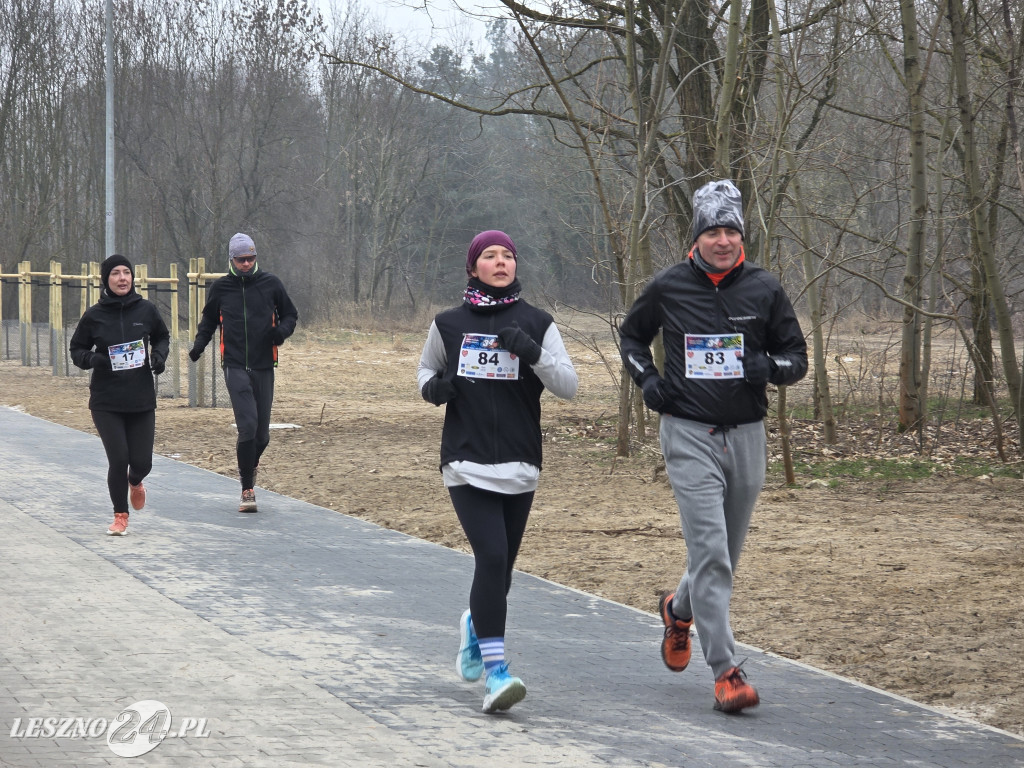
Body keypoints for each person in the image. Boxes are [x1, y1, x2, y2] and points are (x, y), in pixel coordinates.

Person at [618, 180, 808, 713]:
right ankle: (725, 669)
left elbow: (798, 359)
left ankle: (678, 612)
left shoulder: (765, 289)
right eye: (712, 231)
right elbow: (631, 337)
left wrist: (767, 366)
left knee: (724, 554)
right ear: (696, 236)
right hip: (687, 431)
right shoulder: (667, 286)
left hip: (746, 434)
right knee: (711, 554)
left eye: (730, 230)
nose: (722, 240)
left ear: (741, 235)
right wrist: (647, 381)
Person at [417, 230, 578, 714]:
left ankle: (474, 625)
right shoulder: (448, 323)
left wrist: (532, 352)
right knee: (490, 557)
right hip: (464, 461)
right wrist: (437, 389)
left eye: (508, 254)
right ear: (473, 268)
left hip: (520, 460)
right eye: (490, 255)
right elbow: (426, 374)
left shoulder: (538, 322)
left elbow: (569, 386)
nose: (501, 261)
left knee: (501, 569)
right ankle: (497, 673)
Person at [188, 233, 298, 513]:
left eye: (250, 258)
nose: (246, 264)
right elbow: (209, 321)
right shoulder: (222, 288)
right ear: (232, 260)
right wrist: (199, 346)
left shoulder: (271, 284)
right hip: (234, 364)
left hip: (264, 365)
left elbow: (290, 315)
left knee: (262, 436)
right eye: (241, 259)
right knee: (247, 426)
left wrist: (281, 333)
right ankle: (247, 488)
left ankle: (249, 463)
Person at [70, 254, 170, 536]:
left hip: (140, 398)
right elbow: (76, 350)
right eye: (115, 273)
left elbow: (163, 336)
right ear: (106, 279)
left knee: (142, 463)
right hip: (106, 400)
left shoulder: (147, 310)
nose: (122, 278)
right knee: (119, 458)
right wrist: (93, 359)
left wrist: (159, 356)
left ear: (133, 278)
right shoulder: (94, 315)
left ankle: (135, 482)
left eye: (126, 272)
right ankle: (120, 516)